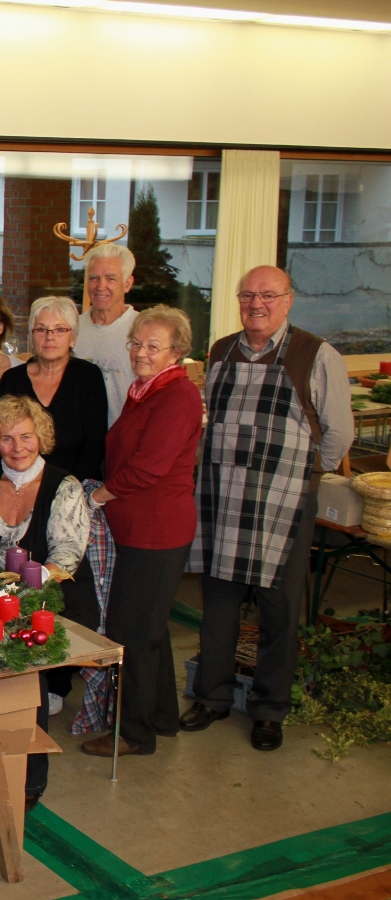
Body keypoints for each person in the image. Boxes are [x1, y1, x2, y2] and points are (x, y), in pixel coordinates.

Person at [183, 265, 353, 752]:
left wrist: (300, 475)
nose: (256, 304)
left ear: (288, 300)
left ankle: (269, 709)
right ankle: (212, 696)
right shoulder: (221, 351)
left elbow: (339, 433)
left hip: (284, 501)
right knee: (218, 606)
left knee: (279, 610)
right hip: (223, 496)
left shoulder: (315, 354)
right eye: (248, 295)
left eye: (268, 295)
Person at [0, 395, 93, 810]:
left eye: (26, 437)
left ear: (41, 437)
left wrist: (22, 591)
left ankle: (30, 781)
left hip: (47, 602)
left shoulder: (65, 487)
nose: (17, 447)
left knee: (28, 684)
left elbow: (67, 554)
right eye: (7, 438)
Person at [81, 307, 202, 758]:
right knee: (151, 628)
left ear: (177, 352)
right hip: (138, 528)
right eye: (135, 343)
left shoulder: (178, 396)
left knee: (129, 629)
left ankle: (133, 733)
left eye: (153, 346)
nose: (141, 353)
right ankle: (162, 717)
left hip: (157, 531)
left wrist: (96, 498)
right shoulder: (144, 390)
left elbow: (149, 467)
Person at [0, 295, 108, 482]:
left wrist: (65, 490)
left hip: (76, 485)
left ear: (73, 337)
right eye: (41, 329)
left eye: (60, 329)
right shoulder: (12, 379)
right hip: (19, 484)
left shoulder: (89, 377)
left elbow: (94, 447)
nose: (49, 337)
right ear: (31, 336)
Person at [75, 244, 139, 425]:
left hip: (126, 437)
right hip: (80, 439)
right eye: (94, 278)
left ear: (127, 284)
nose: (100, 286)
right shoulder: (71, 329)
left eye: (111, 278)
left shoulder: (142, 330)